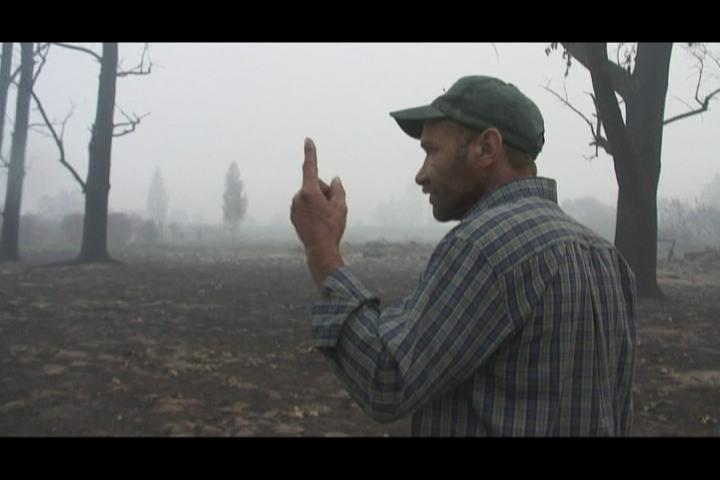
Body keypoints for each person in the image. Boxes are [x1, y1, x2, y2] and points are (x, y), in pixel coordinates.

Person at [290, 75, 638, 436]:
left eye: (431, 151)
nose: (420, 176)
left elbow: (386, 377)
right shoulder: (608, 258)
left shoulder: (484, 247)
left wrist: (322, 252)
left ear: (486, 149)